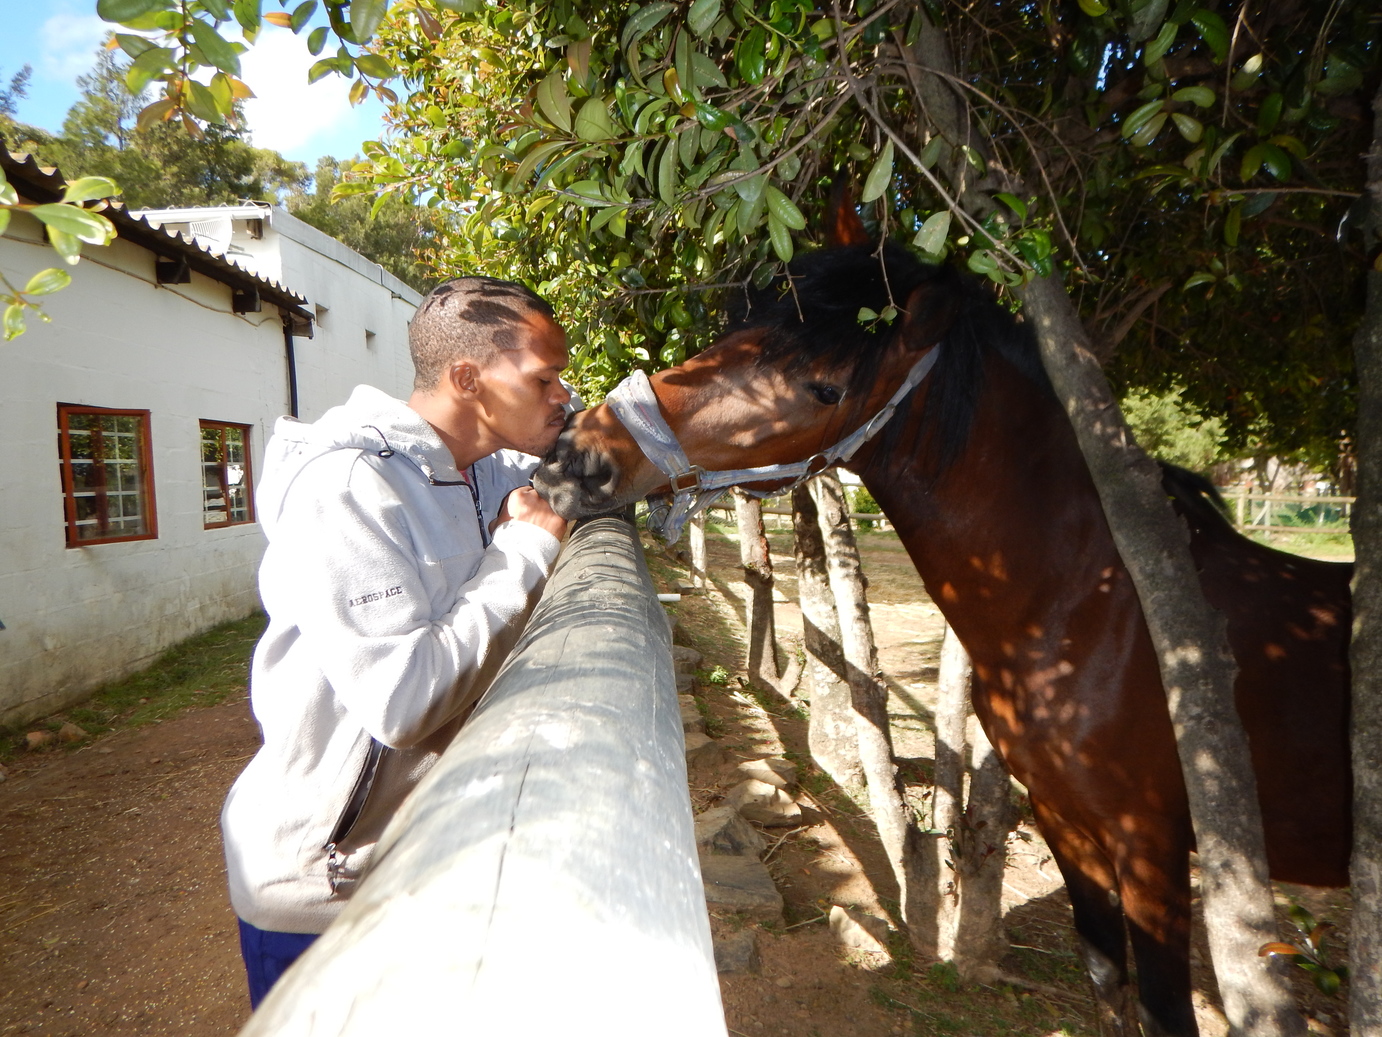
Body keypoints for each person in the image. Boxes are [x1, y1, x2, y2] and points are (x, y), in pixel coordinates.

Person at [220, 276, 572, 1007]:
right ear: (468, 379)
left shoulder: (481, 466)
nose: (563, 394)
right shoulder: (348, 487)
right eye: (545, 378)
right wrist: (522, 553)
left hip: (419, 860)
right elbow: (402, 702)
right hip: (323, 883)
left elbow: (588, 450)